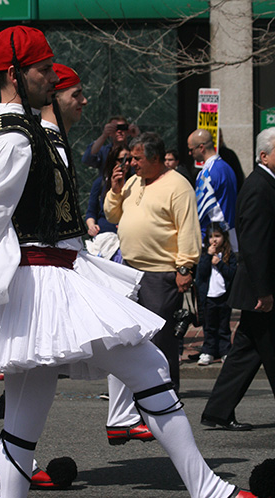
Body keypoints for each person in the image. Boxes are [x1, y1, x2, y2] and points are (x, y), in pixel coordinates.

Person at [0, 26, 273, 498]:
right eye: (42, 68)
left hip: (47, 279)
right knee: (148, 365)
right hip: (41, 281)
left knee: (22, 425)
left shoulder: (27, 130)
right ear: (13, 75)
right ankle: (206, 490)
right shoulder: (13, 139)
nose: (52, 76)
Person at [104, 132, 201, 390]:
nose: (131, 163)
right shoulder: (133, 182)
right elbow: (112, 215)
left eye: (137, 159)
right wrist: (115, 191)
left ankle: (165, 393)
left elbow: (188, 229)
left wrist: (185, 268)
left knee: (160, 339)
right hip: (129, 271)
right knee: (131, 336)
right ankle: (139, 391)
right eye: (131, 158)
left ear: (155, 158)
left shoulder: (178, 186)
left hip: (160, 274)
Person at [201, 127, 275, 431]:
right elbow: (254, 244)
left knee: (246, 351)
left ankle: (218, 411)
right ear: (264, 156)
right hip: (261, 288)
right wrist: (264, 290)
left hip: (260, 287)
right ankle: (217, 411)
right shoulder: (259, 187)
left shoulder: (266, 183)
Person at [188, 128, 238, 250]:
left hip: (214, 242)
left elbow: (200, 212)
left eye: (191, 149)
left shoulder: (207, 173)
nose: (189, 153)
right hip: (229, 236)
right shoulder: (227, 168)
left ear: (201, 148)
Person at [195, 223, 237, 366]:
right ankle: (208, 351)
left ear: (224, 237)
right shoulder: (204, 255)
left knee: (223, 326)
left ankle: (225, 351)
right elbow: (201, 273)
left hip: (224, 297)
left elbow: (232, 274)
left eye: (217, 236)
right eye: (211, 237)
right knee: (209, 326)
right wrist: (208, 256)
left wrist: (219, 263)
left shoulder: (228, 256)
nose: (214, 240)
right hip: (208, 298)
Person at [85, 145, 131, 262]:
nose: (126, 163)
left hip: (127, 240)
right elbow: (91, 211)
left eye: (130, 160)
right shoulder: (101, 183)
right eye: (122, 160)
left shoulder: (135, 183)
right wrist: (91, 226)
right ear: (113, 161)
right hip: (105, 238)